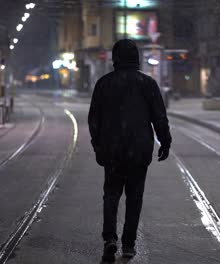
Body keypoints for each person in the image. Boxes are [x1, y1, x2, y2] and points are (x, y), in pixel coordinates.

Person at [88, 39, 172, 263]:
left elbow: (93, 119)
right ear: (136, 58)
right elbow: (159, 118)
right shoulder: (147, 84)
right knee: (135, 197)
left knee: (111, 193)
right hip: (139, 149)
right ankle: (128, 245)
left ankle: (109, 240)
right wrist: (165, 142)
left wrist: (97, 145)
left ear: (115, 58)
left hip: (112, 149)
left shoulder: (104, 84)